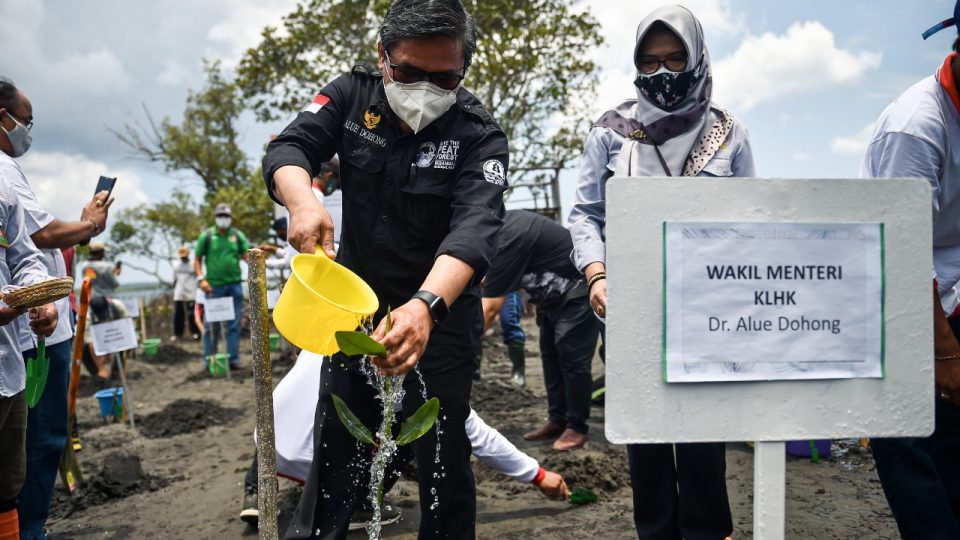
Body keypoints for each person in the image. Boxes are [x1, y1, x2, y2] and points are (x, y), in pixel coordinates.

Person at [262, 0, 508, 536]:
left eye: (444, 78)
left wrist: (426, 307)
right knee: (338, 450)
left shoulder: (479, 133)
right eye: (409, 72)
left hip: (439, 321)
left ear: (463, 69)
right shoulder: (351, 97)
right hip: (356, 317)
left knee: (442, 459)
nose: (424, 89)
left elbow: (474, 228)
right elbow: (289, 148)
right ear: (383, 56)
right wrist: (303, 202)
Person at [568, 6, 754, 539]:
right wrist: (597, 274)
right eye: (649, 62)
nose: (663, 73)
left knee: (701, 434)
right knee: (645, 435)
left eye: (675, 58)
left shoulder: (728, 132)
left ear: (697, 57)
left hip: (706, 311)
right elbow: (584, 213)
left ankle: (707, 530)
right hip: (627, 307)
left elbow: (749, 216)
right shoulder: (612, 132)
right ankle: (655, 530)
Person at [239, 351, 568, 529]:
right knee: (417, 424)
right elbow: (476, 433)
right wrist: (537, 475)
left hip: (268, 443)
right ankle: (364, 501)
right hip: (324, 462)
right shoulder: (405, 363)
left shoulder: (335, 331)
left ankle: (254, 491)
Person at [861, 6, 960, 538]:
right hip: (895, 297)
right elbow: (903, 254)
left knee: (952, 448)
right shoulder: (917, 128)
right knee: (907, 441)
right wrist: (944, 354)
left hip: (954, 286)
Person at [0, 77, 113, 539]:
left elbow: (25, 253)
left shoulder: (8, 174)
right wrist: (87, 226)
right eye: (25, 121)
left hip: (30, 328)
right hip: (26, 336)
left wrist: (39, 291)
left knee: (27, 451)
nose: (28, 130)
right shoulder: (6, 171)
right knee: (39, 442)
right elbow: (42, 235)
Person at [482, 210, 600, 451]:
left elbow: (489, 309)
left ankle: (577, 427)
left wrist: (462, 347)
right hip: (550, 301)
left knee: (572, 360)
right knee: (550, 357)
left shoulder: (508, 235)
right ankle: (557, 420)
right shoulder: (494, 236)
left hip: (577, 290)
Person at [0, 174, 59, 540]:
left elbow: (25, 257)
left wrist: (40, 295)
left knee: (7, 487)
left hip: (8, 368)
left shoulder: (2, 185)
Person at [194, 203, 248, 369]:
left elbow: (247, 256)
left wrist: (258, 272)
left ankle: (233, 359)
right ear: (215, 218)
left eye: (226, 216)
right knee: (211, 325)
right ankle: (209, 359)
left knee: (234, 324)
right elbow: (197, 260)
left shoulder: (237, 236)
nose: (223, 219)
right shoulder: (207, 236)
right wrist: (201, 279)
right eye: (220, 216)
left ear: (231, 218)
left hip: (235, 286)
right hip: (213, 288)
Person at [171, 246, 199, 341]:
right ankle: (178, 334)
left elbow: (198, 277)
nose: (183, 257)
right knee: (178, 314)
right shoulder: (175, 264)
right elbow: (174, 279)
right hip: (179, 293)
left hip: (191, 293)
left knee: (192, 314)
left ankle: (195, 333)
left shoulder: (193, 264)